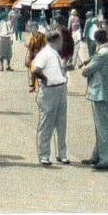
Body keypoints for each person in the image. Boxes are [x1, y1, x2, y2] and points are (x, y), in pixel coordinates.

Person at [80, 29, 108, 171]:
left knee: (102, 127)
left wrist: (85, 65)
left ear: (96, 40)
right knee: (101, 125)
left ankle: (107, 159)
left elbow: (86, 71)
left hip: (100, 93)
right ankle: (97, 155)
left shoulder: (102, 54)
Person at [32, 31, 70, 166]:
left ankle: (62, 154)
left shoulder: (55, 54)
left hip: (61, 88)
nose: (62, 43)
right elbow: (36, 70)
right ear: (56, 40)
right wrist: (46, 80)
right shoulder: (44, 53)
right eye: (60, 41)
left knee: (61, 123)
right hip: (50, 90)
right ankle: (44, 155)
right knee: (47, 124)